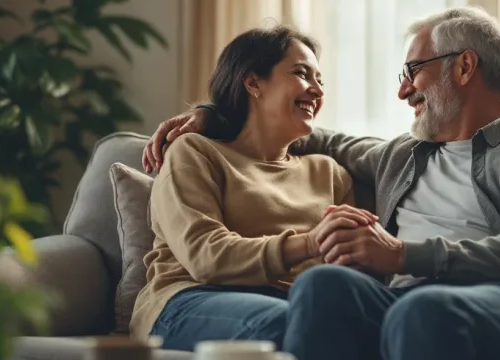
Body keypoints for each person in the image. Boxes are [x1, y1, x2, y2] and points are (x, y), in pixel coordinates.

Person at [144, 6, 500, 360]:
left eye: (413, 71)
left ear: (464, 68)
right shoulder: (398, 156)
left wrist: (404, 255)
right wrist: (214, 115)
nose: (403, 91)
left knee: (423, 311)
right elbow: (292, 130)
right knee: (321, 287)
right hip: (400, 301)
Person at [129, 25, 381, 351]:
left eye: (320, 80)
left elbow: (347, 272)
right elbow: (207, 257)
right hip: (190, 297)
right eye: (302, 74)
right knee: (294, 324)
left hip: (295, 302)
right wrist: (310, 242)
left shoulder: (330, 173)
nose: (317, 91)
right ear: (252, 83)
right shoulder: (194, 151)